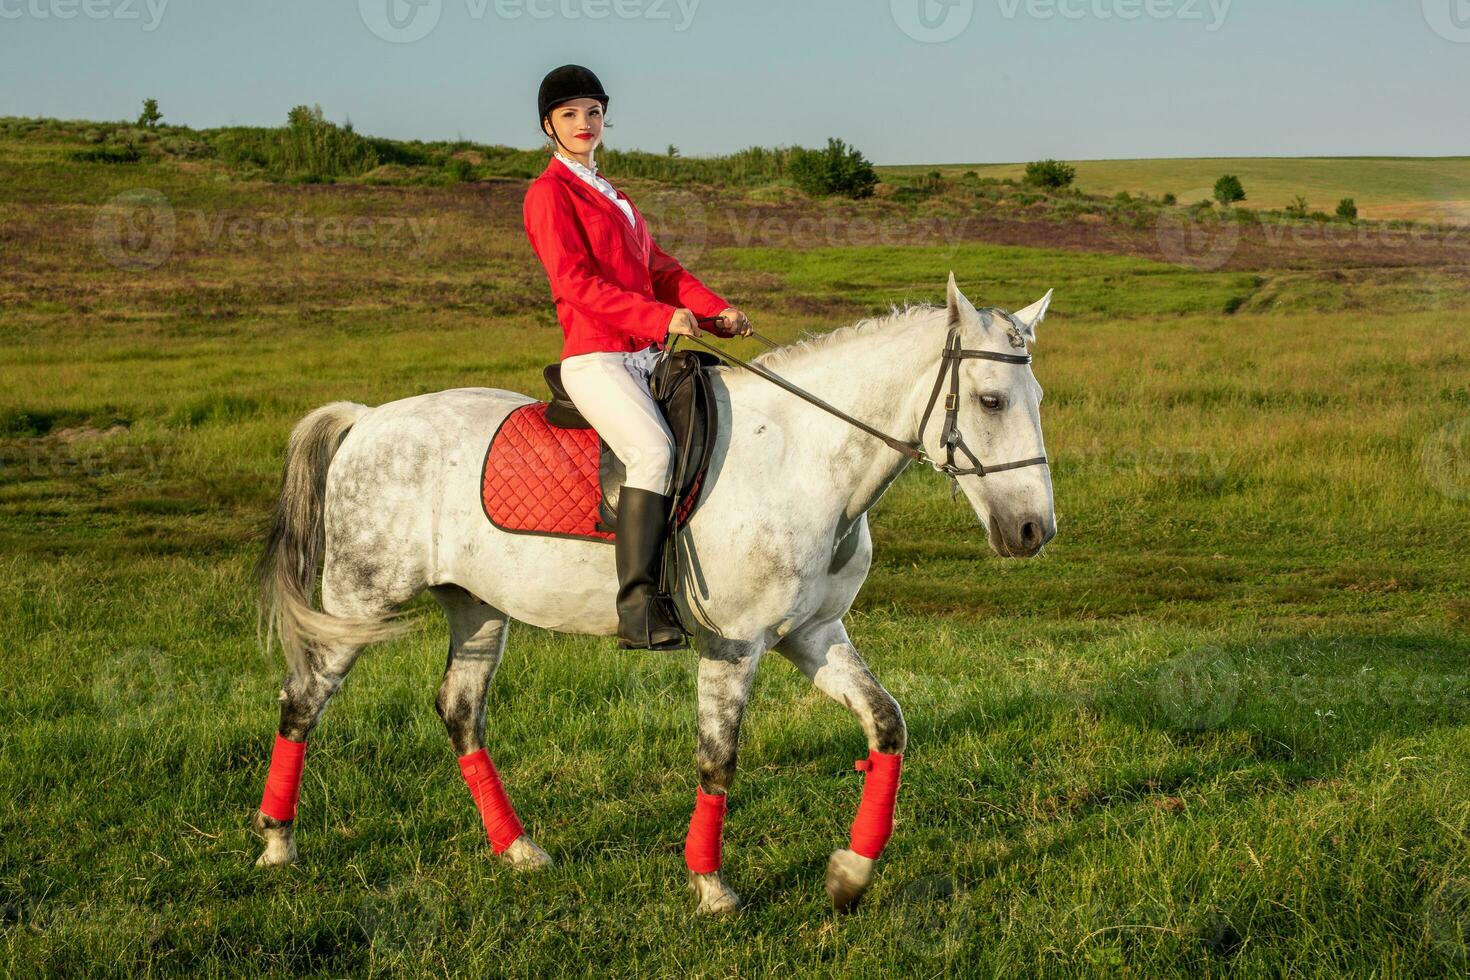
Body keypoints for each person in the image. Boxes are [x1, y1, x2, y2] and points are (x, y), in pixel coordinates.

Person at [522, 64, 753, 651]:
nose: (584, 123)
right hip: (597, 358)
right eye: (570, 114)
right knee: (653, 451)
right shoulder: (548, 193)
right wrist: (655, 318)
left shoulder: (615, 196)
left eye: (593, 112)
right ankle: (638, 608)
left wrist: (715, 312)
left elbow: (661, 271)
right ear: (548, 125)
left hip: (644, 356)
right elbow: (573, 283)